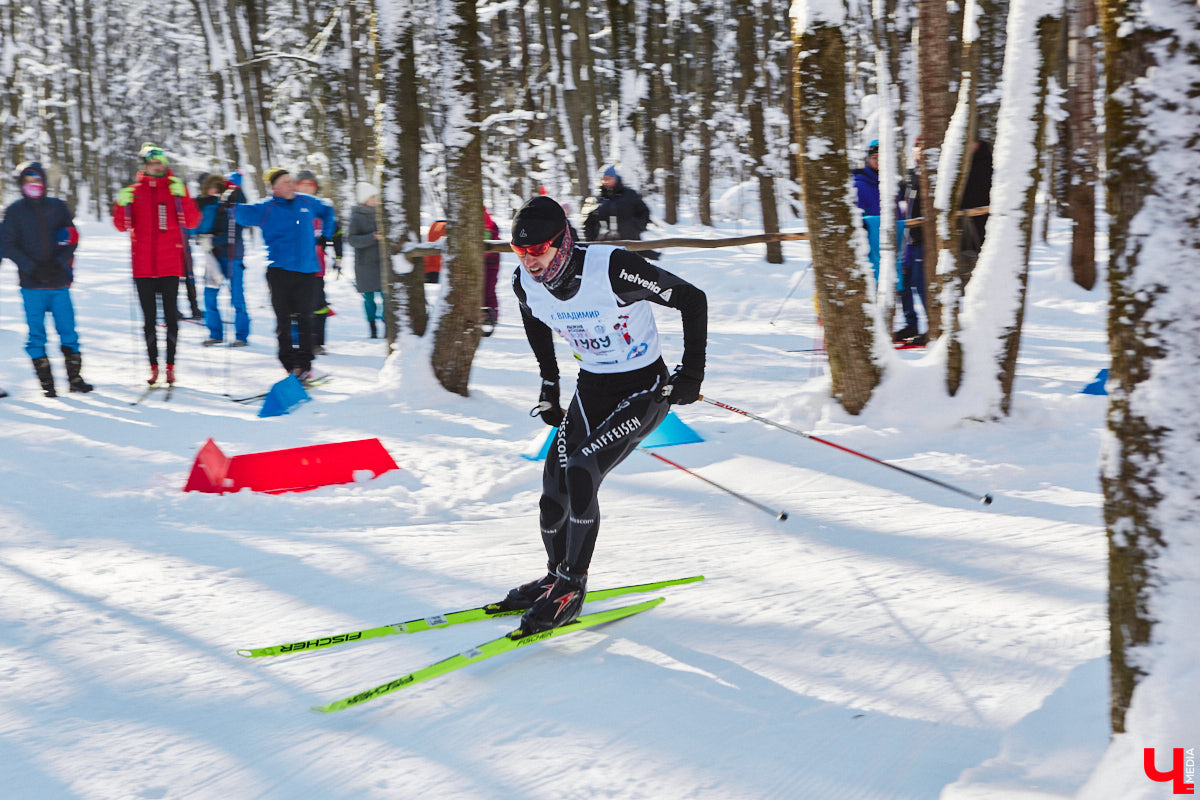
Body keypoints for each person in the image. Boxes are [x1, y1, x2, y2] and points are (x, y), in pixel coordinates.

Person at [499, 196, 707, 634]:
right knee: (553, 482)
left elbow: (692, 299)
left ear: (563, 242)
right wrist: (550, 384)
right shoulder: (525, 283)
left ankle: (573, 587)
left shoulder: (611, 268)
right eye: (520, 252)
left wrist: (691, 374)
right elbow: (535, 321)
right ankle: (555, 576)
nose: (530, 262)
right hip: (591, 388)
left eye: (537, 251)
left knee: (581, 469)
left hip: (644, 389)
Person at [234, 167, 335, 380]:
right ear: (275, 187)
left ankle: (306, 365)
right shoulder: (266, 208)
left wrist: (326, 236)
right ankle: (289, 365)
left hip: (307, 272)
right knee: (284, 322)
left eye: (291, 181)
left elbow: (328, 209)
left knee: (306, 320)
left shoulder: (307, 202)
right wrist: (233, 195)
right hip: (279, 272)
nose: (292, 185)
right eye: (286, 182)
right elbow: (242, 215)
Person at [113, 143, 202, 385]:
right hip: (142, 267)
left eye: (159, 161)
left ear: (164, 163)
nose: (156, 165)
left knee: (172, 318)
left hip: (170, 265)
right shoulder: (134, 191)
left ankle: (170, 366)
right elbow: (121, 226)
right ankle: (154, 367)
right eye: (151, 162)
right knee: (149, 320)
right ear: (145, 165)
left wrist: (183, 196)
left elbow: (193, 222)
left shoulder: (175, 189)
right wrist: (121, 203)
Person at [0, 161, 90, 397]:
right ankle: (47, 384)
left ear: (44, 182)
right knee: (36, 334)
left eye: (37, 180)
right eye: (28, 181)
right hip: (31, 285)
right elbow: (7, 244)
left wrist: (57, 263)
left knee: (68, 331)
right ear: (21, 184)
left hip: (59, 282)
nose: (33, 184)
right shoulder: (15, 211)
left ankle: (75, 379)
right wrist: (31, 267)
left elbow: (72, 237)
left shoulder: (57, 207)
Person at [192, 171, 249, 346]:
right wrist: (201, 239)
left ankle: (241, 336)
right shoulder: (212, 205)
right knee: (209, 296)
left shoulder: (236, 204)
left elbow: (235, 231)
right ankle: (215, 333)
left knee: (237, 298)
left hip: (233, 257)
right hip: (213, 258)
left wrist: (211, 240)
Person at [294, 170, 341, 354]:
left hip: (316, 267)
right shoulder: (291, 207)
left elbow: (337, 234)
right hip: (294, 265)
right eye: (302, 185)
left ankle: (317, 342)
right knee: (296, 305)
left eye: (310, 185)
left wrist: (339, 257)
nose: (306, 188)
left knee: (318, 305)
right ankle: (299, 342)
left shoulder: (322, 208)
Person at [894, 138, 927, 346]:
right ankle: (911, 324)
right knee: (903, 285)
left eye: (923, 148)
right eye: (917, 148)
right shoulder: (910, 175)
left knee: (921, 285)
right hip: (907, 240)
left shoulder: (932, 175)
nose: (919, 152)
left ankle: (933, 326)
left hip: (924, 239)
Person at [345, 181, 383, 338]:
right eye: (372, 197)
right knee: (369, 299)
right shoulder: (356, 217)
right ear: (365, 198)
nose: (375, 200)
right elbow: (352, 240)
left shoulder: (380, 214)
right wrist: (373, 237)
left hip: (381, 263)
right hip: (364, 265)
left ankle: (388, 327)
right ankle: (372, 328)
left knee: (386, 297)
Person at [583, 166, 652, 248]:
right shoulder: (597, 199)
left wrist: (636, 227)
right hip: (603, 244)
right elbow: (588, 222)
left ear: (615, 178)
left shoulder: (629, 195)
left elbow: (644, 212)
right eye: (604, 179)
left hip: (629, 242)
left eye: (609, 178)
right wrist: (591, 239)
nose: (606, 181)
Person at [853, 140, 882, 280]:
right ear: (868, 159)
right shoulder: (859, 185)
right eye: (874, 158)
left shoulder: (894, 185)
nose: (878, 161)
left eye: (881, 158)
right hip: (870, 249)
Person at [482, 207, 501, 335]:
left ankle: (492, 315)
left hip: (491, 263)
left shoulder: (486, 221)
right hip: (485, 262)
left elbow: (488, 242)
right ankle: (486, 314)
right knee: (486, 290)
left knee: (488, 290)